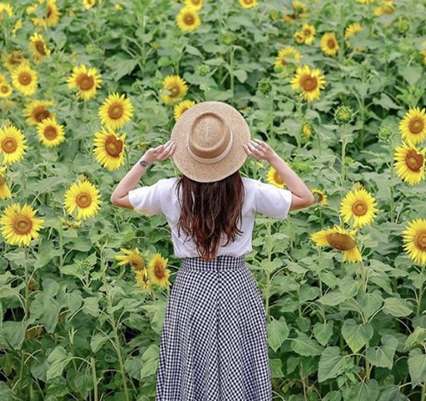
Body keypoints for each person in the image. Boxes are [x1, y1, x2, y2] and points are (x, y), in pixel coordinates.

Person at [111, 101, 314, 401]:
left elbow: (119, 196)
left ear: (189, 155)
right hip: (236, 285)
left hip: (191, 286)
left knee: (190, 365)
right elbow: (305, 197)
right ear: (230, 155)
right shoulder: (249, 190)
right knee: (238, 364)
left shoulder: (171, 191)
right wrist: (273, 158)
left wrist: (146, 160)